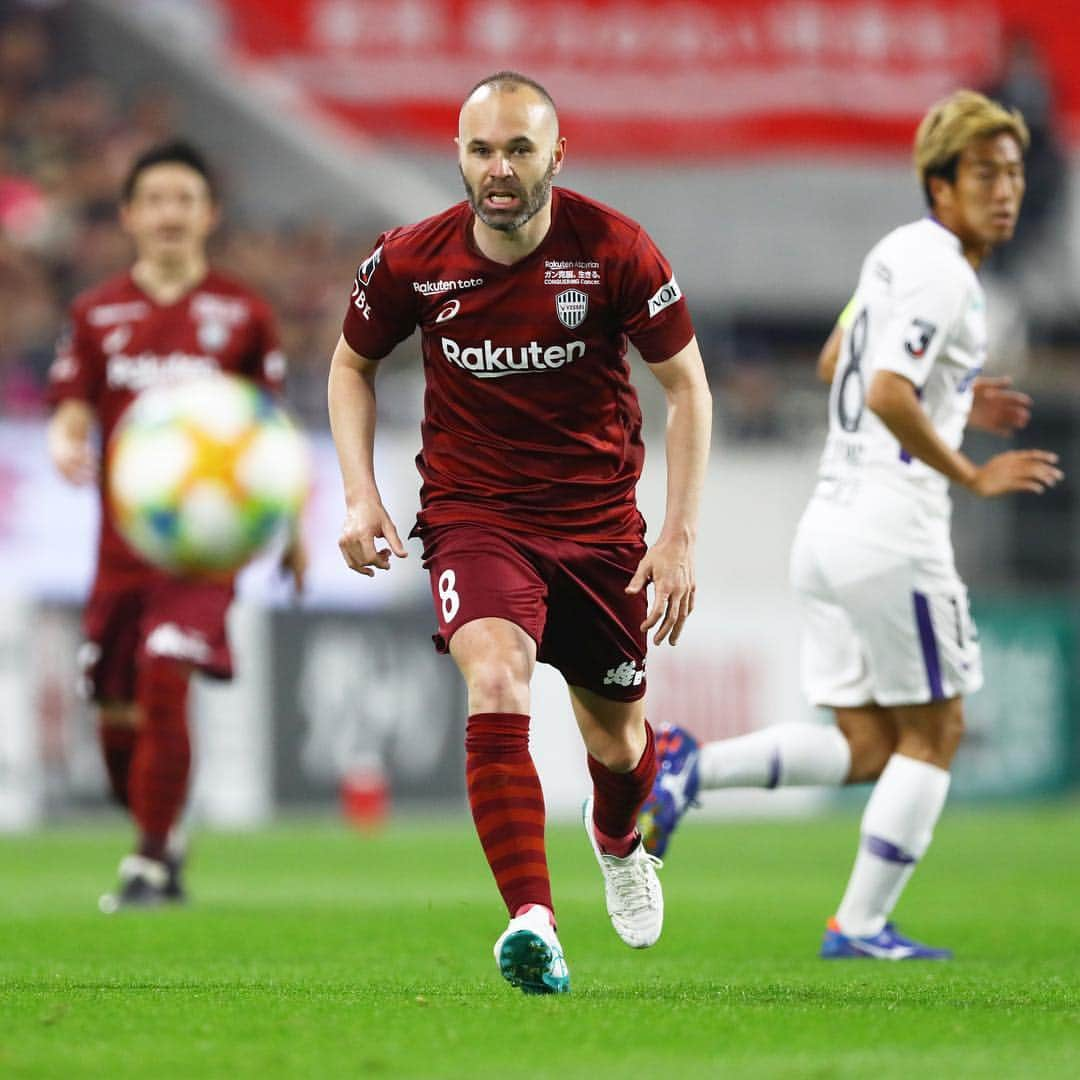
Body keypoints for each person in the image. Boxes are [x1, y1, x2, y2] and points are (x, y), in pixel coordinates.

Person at [639, 90, 1063, 959]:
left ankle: (686, 766)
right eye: (984, 173)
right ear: (938, 185)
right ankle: (861, 924)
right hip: (892, 532)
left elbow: (839, 356)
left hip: (828, 529)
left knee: (868, 743)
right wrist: (970, 467)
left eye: (1015, 173)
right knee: (937, 731)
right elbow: (881, 388)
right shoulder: (948, 272)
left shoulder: (897, 253)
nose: (1006, 190)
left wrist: (950, 393)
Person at [328, 71, 711, 994]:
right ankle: (531, 921)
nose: (498, 170)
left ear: (555, 155)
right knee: (494, 676)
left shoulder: (617, 251)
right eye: (480, 150)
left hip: (598, 530)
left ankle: (619, 839)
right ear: (458, 156)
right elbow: (350, 365)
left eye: (518, 149)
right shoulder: (411, 260)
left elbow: (687, 389)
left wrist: (679, 534)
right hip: (475, 518)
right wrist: (360, 494)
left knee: (617, 743)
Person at [47, 140, 304, 911]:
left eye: (184, 199)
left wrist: (289, 527)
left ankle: (151, 862)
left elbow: (272, 429)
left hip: (206, 550)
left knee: (167, 669)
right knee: (117, 714)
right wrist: (66, 440)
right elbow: (71, 406)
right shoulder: (97, 313)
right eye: (154, 199)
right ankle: (164, 832)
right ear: (129, 215)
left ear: (208, 214)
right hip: (124, 551)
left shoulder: (243, 314)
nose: (169, 214)